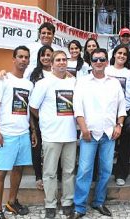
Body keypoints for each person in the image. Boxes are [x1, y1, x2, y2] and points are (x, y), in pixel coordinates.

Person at [70, 48, 126, 219]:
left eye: (102, 59)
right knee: (85, 170)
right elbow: (77, 108)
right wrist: (83, 129)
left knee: (106, 170)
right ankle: (79, 207)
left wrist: (120, 125)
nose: (99, 62)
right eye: (95, 59)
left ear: (107, 62)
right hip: (89, 133)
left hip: (109, 134)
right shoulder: (83, 82)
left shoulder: (114, 83)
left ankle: (99, 202)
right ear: (91, 62)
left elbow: (121, 107)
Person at [30, 50, 77, 218]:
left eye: (64, 60)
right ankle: (50, 204)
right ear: (51, 64)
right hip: (51, 135)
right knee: (50, 172)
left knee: (69, 171)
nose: (61, 62)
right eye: (58, 60)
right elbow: (33, 107)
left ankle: (67, 202)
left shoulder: (74, 82)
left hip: (70, 134)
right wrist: (45, 120)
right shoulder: (43, 83)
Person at [0, 46, 34, 219]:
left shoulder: (29, 84)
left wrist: (32, 130)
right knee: (0, 172)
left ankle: (12, 202)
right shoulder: (3, 79)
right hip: (5, 134)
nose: (23, 60)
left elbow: (27, 109)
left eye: (26, 57)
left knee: (18, 169)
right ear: (13, 59)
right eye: (20, 56)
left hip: (23, 133)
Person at [106, 45, 130, 186]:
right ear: (114, 55)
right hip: (107, 113)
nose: (121, 56)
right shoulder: (106, 70)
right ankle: (102, 175)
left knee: (125, 147)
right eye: (119, 53)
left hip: (125, 112)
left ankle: (121, 174)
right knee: (106, 145)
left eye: (124, 54)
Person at [30, 45, 54, 191]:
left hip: (55, 120)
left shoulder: (58, 72)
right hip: (37, 117)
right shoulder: (34, 74)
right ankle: (39, 176)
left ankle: (53, 176)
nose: (45, 57)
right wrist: (37, 120)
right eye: (42, 55)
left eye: (48, 54)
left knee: (53, 148)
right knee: (37, 147)